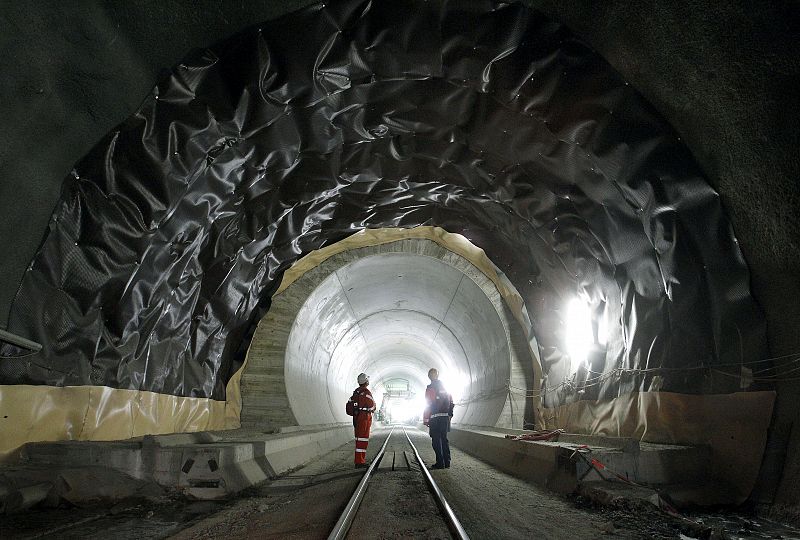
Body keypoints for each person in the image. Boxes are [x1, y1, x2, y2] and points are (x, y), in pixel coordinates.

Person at [423, 368, 454, 469]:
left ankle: (440, 463)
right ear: (438, 375)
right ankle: (447, 462)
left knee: (436, 441)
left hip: (435, 419)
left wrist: (426, 420)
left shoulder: (430, 388)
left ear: (429, 377)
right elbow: (451, 401)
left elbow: (428, 404)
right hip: (444, 418)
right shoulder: (445, 387)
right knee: (444, 440)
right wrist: (449, 415)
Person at [351, 372, 376, 468]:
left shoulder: (355, 392)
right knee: (363, 439)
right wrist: (371, 409)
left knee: (358, 438)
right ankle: (359, 462)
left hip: (356, 417)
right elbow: (373, 405)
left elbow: (350, 405)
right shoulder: (366, 392)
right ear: (366, 381)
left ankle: (359, 460)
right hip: (364, 418)